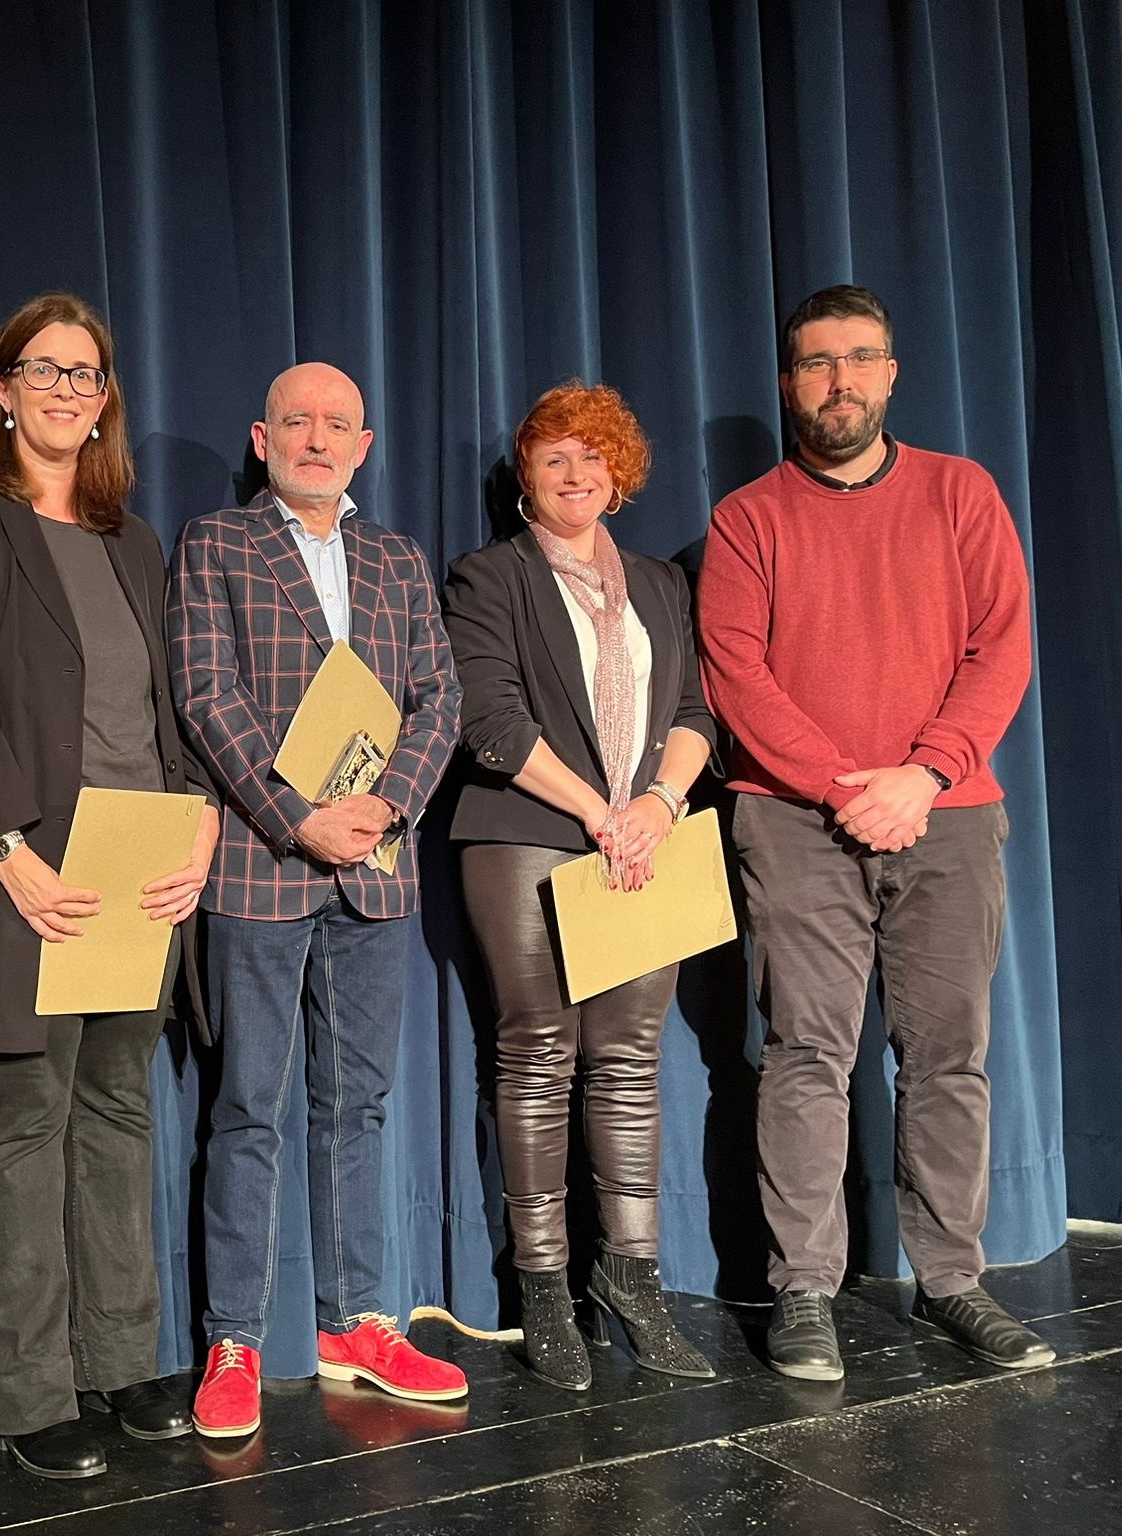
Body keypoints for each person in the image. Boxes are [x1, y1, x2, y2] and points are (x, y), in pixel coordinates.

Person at [697, 284, 1051, 1381]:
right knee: (805, 1054)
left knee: (947, 1056)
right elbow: (734, 673)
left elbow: (1001, 646)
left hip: (947, 814)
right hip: (795, 822)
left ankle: (951, 1280)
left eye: (857, 359)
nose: (838, 380)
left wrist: (924, 773)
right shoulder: (747, 517)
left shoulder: (959, 491)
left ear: (891, 374)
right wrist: (845, 786)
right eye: (816, 363)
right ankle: (804, 1289)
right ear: (788, 384)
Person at [0, 293, 221, 1479]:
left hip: (141, 862)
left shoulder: (131, 539)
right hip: (23, 863)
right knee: (23, 1115)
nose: (65, 391)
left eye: (85, 374)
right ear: (1, 390)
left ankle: (121, 1363)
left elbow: (163, 706)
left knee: (120, 1110)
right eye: (43, 369)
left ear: (103, 402)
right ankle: (27, 1394)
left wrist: (197, 821)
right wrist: (7, 849)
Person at [170, 362, 465, 1440]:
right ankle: (236, 1340)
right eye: (296, 421)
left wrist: (386, 808)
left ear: (363, 445)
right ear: (262, 439)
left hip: (375, 868)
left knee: (359, 1106)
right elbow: (206, 695)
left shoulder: (397, 558)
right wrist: (297, 816)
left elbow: (439, 698)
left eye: (337, 424)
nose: (316, 438)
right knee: (249, 1107)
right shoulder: (216, 543)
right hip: (262, 862)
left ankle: (354, 1325)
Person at [442, 382, 717, 1391]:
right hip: (527, 834)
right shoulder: (488, 576)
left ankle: (632, 1280)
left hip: (646, 836)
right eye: (553, 455)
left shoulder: (659, 582)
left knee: (630, 1061)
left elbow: (695, 709)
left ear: (619, 473)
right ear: (525, 472)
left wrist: (657, 805)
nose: (574, 473)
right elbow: (490, 721)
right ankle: (545, 1291)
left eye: (591, 456)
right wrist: (601, 813)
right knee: (537, 1054)